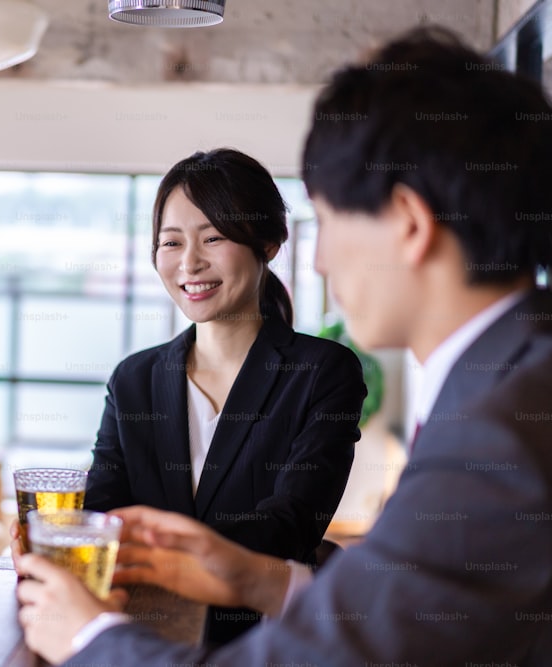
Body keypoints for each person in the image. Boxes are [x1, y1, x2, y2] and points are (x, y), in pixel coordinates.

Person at [14, 26, 552, 665]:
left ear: (407, 224)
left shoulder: (498, 439)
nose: (318, 262)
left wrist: (87, 639)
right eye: (172, 241)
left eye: (331, 221)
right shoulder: (541, 377)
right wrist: (250, 576)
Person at [82, 147, 366, 642]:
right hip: (143, 633)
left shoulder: (322, 372)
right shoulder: (133, 379)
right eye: (171, 242)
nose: (190, 262)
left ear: (269, 243)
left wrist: (162, 553)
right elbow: (101, 512)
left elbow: (293, 524)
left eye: (212, 238)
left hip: (265, 641)